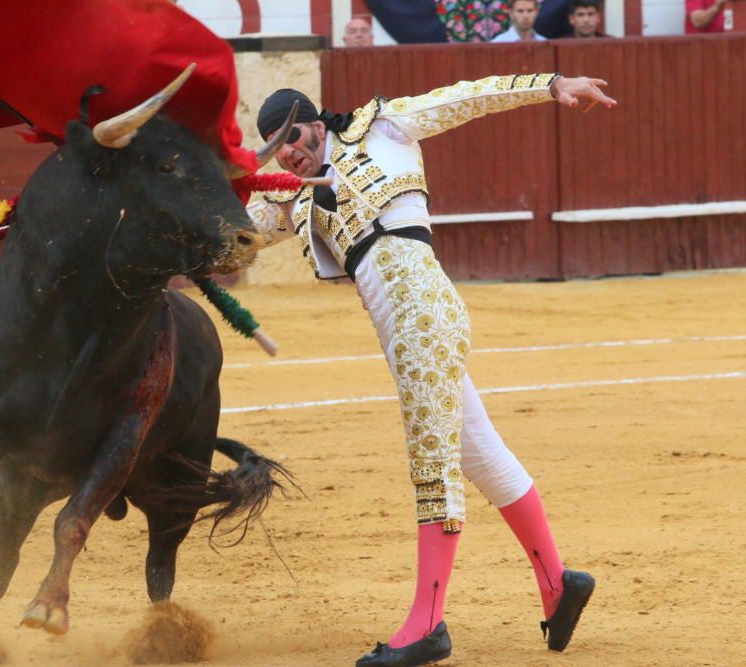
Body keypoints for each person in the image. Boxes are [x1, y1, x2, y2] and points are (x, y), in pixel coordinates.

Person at [247, 73, 616, 666]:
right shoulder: (286, 191)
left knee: (433, 464)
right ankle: (558, 583)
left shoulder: (384, 126)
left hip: (423, 309)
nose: (287, 150)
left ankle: (428, 625)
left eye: (291, 135)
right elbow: (229, 234)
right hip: (398, 327)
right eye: (274, 145)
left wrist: (551, 85)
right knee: (480, 455)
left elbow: (469, 97)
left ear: (316, 123)